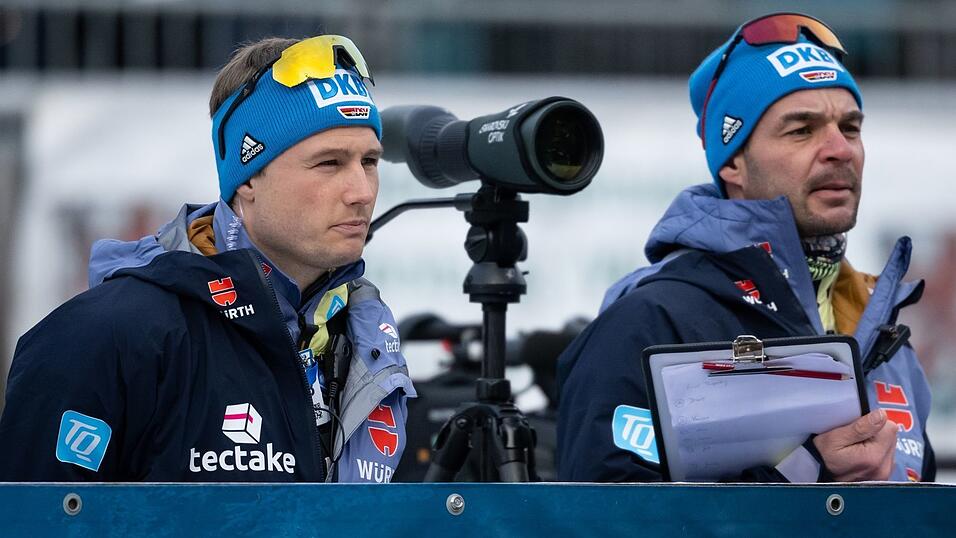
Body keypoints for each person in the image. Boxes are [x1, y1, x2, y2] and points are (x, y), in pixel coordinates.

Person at [0, 35, 414, 483]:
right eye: (329, 163)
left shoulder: (368, 333)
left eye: (369, 161)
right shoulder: (106, 336)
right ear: (248, 178)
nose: (361, 192)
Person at [557, 13, 934, 483]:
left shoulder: (887, 336)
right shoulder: (653, 321)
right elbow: (602, 521)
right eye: (802, 130)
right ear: (733, 162)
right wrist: (804, 473)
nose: (840, 149)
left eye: (851, 128)